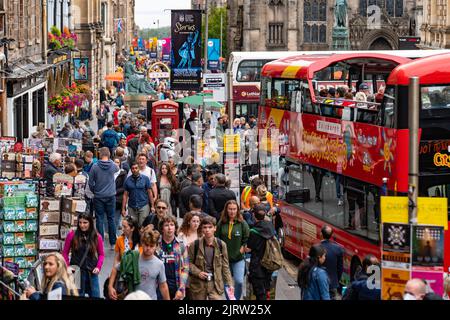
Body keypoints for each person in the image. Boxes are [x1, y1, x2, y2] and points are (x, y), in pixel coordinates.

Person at [109, 231, 170, 300]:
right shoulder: (132, 258)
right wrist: (110, 287)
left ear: (156, 246)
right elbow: (115, 269)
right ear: (142, 244)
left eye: (151, 246)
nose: (148, 248)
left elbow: (163, 286)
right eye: (146, 245)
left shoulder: (159, 264)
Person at [187, 216, 234, 300]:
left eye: (210, 227)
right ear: (201, 229)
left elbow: (225, 266)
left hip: (215, 283)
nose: (207, 230)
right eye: (205, 227)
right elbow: (188, 263)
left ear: (215, 228)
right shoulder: (195, 244)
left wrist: (230, 284)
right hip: (198, 284)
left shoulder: (221, 245)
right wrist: (198, 272)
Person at [63, 212, 105, 298]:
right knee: (76, 296)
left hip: (92, 272)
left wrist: (98, 267)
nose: (82, 225)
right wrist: (67, 267)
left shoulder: (97, 237)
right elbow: (65, 253)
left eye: (85, 222)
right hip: (76, 272)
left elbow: (101, 254)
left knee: (95, 296)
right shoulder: (72, 235)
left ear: (90, 223)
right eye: (80, 222)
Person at [216, 200, 249, 300]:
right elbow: (216, 238)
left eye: (234, 209)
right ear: (226, 210)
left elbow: (247, 238)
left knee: (239, 281)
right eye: (230, 209)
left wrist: (242, 249)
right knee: (227, 283)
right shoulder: (221, 223)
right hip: (225, 259)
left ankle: (236, 299)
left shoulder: (242, 223)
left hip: (238, 258)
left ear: (237, 210)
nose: (232, 211)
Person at [88, 147, 119, 248]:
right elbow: (117, 169)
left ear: (100, 154)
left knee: (99, 219)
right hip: (111, 195)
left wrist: (94, 190)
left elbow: (90, 182)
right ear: (109, 154)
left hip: (99, 196)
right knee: (111, 218)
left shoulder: (95, 166)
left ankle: (100, 243)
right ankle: (113, 242)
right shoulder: (113, 165)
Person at [247, 204, 276, 300]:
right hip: (268, 264)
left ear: (254, 215)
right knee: (266, 289)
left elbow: (249, 248)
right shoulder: (271, 227)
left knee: (259, 293)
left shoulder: (254, 231)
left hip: (257, 266)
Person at [156, 215, 189, 300]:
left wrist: (181, 289)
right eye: (166, 225)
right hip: (159, 285)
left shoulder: (181, 245)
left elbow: (185, 268)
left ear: (175, 228)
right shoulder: (156, 244)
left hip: (176, 284)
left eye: (172, 225)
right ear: (162, 228)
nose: (169, 228)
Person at [122, 162, 154, 227]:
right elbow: (125, 195)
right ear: (131, 170)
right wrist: (123, 208)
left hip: (143, 205)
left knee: (143, 226)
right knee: (133, 227)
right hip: (132, 206)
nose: (134, 170)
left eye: (136, 168)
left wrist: (152, 206)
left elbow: (150, 192)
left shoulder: (145, 179)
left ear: (139, 169)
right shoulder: (127, 180)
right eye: (133, 168)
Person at [320, 225, 344, 299]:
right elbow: (340, 268)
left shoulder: (317, 248)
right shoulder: (338, 249)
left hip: (320, 283)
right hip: (333, 283)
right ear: (331, 235)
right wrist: (336, 279)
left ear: (321, 234)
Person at [114, 158, 127, 236]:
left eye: (117, 162)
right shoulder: (109, 172)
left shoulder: (123, 173)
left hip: (118, 199)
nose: (116, 164)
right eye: (115, 162)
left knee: (117, 218)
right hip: (109, 198)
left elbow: (124, 187)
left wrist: (115, 192)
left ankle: (117, 235)